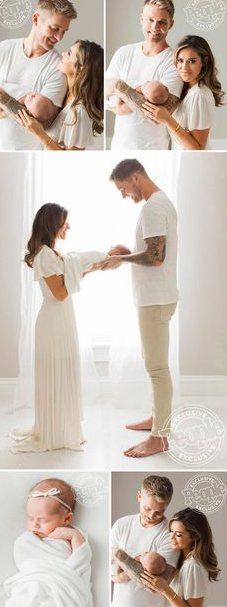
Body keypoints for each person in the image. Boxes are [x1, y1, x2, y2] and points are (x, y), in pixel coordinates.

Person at [10, 203, 106, 454]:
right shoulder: (44, 255)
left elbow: (66, 285)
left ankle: (65, 429)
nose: (69, 227)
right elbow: (61, 293)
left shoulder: (53, 253)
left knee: (64, 371)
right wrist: (84, 270)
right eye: (65, 223)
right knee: (57, 372)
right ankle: (57, 433)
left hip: (62, 319)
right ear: (54, 224)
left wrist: (90, 269)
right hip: (53, 322)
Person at [104, 158, 178, 458]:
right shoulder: (159, 203)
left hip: (155, 299)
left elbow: (156, 257)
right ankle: (157, 420)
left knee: (157, 369)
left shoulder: (152, 207)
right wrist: (127, 252)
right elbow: (152, 251)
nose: (125, 196)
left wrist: (121, 260)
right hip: (157, 296)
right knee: (154, 364)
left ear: (136, 178)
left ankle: (160, 437)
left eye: (123, 189)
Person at [3, 477, 93, 607]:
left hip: (63, 588)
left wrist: (74, 536)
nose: (34, 525)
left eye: (42, 520)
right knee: (32, 593)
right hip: (36, 584)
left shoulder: (72, 537)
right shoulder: (26, 540)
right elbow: (26, 566)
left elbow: (81, 562)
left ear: (67, 519)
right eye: (30, 518)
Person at [0, 0, 77, 150]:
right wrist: (5, 106)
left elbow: (43, 120)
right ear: (36, 19)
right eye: (55, 28)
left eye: (64, 31)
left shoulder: (58, 68)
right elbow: (23, 113)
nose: (59, 37)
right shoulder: (1, 50)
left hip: (30, 153)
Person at [106, 0, 183, 149]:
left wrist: (120, 87)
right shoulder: (124, 53)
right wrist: (121, 104)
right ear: (141, 19)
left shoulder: (175, 61)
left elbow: (161, 114)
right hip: (119, 146)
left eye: (162, 22)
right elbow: (105, 96)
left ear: (171, 24)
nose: (155, 27)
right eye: (150, 20)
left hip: (154, 149)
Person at [111, 475, 178, 607]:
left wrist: (123, 565)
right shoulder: (122, 524)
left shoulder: (169, 534)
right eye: (147, 508)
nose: (151, 516)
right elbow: (108, 562)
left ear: (166, 506)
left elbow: (159, 581)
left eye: (158, 512)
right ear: (139, 496)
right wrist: (116, 574)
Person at [15, 39, 104, 150]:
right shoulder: (64, 94)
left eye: (69, 54)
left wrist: (39, 133)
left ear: (81, 68)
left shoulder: (79, 113)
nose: (63, 54)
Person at [141, 35, 225, 150]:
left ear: (204, 61)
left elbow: (198, 149)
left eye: (192, 61)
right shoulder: (184, 89)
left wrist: (168, 120)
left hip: (195, 162)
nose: (184, 67)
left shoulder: (199, 95)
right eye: (180, 60)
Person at [140, 507, 221, 607]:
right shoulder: (179, 560)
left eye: (178, 535)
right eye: (171, 531)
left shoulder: (193, 567)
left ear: (195, 536)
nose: (171, 537)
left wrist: (165, 589)